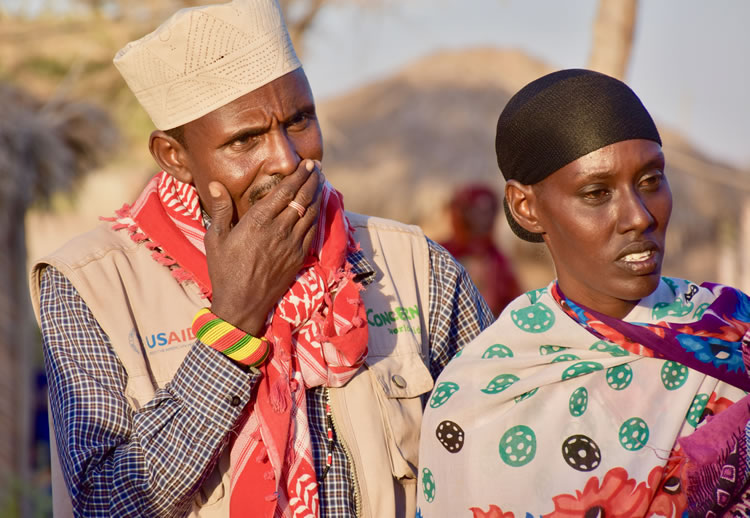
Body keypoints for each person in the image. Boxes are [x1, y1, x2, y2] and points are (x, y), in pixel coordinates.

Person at [28, 1, 493, 517]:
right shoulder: (93, 284)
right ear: (174, 157)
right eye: (245, 139)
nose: (287, 159)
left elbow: (494, 461)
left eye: (299, 121)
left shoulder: (413, 265)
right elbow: (105, 503)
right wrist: (235, 321)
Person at [416, 69, 750, 517]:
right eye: (596, 192)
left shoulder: (731, 327)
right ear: (526, 208)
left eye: (651, 180)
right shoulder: (479, 398)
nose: (638, 216)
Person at [440, 184, 522, 316]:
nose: (485, 218)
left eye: (489, 211)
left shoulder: (497, 258)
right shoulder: (443, 253)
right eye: (477, 211)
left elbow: (514, 302)